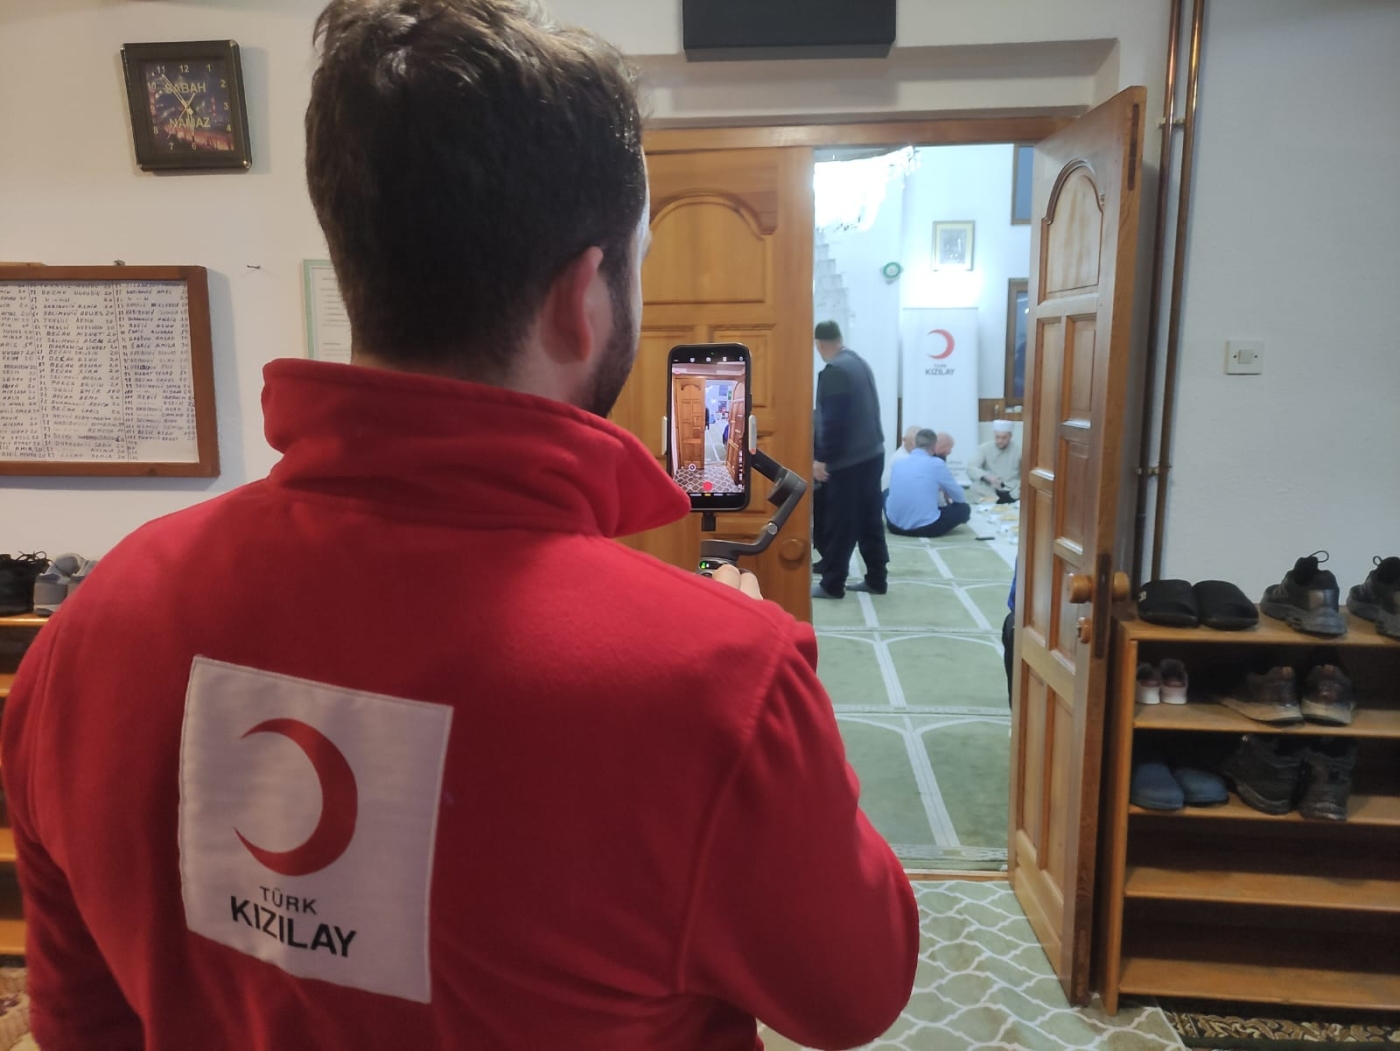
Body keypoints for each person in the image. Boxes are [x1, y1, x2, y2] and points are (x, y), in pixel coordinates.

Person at [0, 4, 919, 1049]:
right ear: (583, 297)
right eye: (639, 258)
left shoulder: (98, 620)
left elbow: (81, 1023)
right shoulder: (717, 679)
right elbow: (856, 993)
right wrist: (775, 708)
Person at [812, 320, 889, 599]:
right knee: (869, 519)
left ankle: (832, 584)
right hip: (872, 454)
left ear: (819, 344)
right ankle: (877, 578)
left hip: (849, 462)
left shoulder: (835, 371)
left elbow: (834, 421)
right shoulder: (857, 362)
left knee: (840, 523)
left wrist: (822, 459)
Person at [885, 429, 972, 538]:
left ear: (915, 444)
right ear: (934, 447)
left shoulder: (898, 463)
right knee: (964, 509)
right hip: (926, 529)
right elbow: (959, 497)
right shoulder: (937, 464)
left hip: (894, 527)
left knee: (887, 493)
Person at [966, 419, 1022, 503]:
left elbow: (1027, 472)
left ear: (1010, 436)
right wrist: (987, 476)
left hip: (1012, 487)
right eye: (997, 437)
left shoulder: (1019, 449)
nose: (1000, 441)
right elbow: (971, 468)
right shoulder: (984, 448)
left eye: (1004, 438)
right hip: (991, 487)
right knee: (975, 487)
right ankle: (997, 500)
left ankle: (1004, 499)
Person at [880, 424, 921, 492]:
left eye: (917, 443)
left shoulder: (910, 455)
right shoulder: (903, 458)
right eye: (911, 443)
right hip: (889, 491)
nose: (914, 446)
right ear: (904, 440)